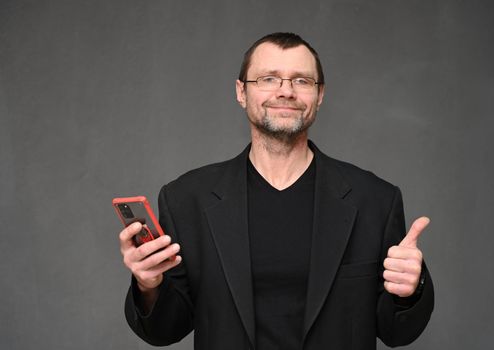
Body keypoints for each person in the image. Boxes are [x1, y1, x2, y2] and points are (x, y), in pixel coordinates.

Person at [119, 32, 434, 350]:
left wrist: (410, 290)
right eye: (269, 79)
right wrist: (149, 283)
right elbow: (164, 331)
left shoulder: (375, 200)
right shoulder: (185, 199)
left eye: (301, 81)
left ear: (319, 94)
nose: (286, 91)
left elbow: (397, 333)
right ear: (241, 92)